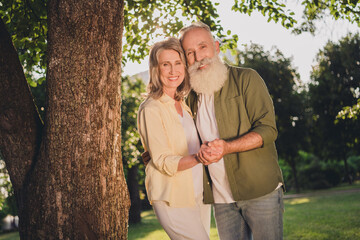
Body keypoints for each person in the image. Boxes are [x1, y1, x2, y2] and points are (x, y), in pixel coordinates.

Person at [179, 22, 285, 240]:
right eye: (190, 53)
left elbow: (268, 129)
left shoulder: (247, 78)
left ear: (216, 47)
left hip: (260, 190)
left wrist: (227, 147)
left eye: (202, 47)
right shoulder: (190, 98)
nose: (198, 57)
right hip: (220, 198)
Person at [137, 37, 211, 240]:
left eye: (178, 63)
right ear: (155, 69)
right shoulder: (151, 108)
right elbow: (161, 159)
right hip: (172, 196)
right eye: (165, 64)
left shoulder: (183, 105)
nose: (173, 71)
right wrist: (199, 157)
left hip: (197, 192)